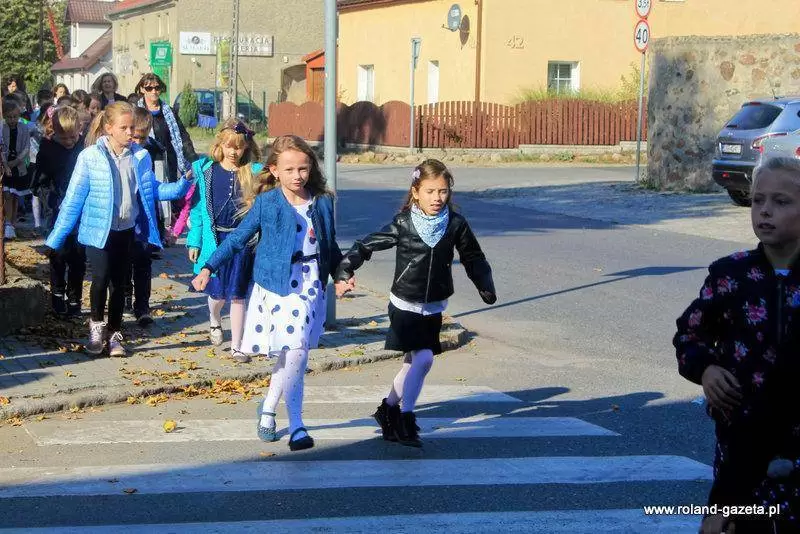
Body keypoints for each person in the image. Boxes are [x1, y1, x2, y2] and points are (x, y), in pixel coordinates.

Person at [191, 135, 342, 451]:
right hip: (277, 285)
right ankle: (297, 425)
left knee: (293, 353)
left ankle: (269, 409)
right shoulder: (268, 203)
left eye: (303, 168)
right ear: (274, 170)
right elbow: (237, 239)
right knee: (296, 350)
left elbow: (330, 245)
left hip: (310, 283)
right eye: (289, 169)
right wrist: (208, 267)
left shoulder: (322, 202)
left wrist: (342, 275)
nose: (297, 176)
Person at [674, 156, 800, 534]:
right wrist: (706, 369)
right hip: (741, 442)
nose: (765, 211)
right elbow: (689, 334)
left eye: (781, 201)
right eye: (758, 200)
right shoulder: (731, 275)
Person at [334, 159, 497, 447]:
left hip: (434, 305)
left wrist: (484, 283)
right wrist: (345, 270)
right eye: (430, 191)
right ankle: (406, 417)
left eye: (443, 191)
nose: (437, 198)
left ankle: (387, 409)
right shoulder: (404, 223)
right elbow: (367, 245)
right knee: (423, 359)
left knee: (412, 363)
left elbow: (473, 256)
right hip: (404, 304)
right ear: (415, 192)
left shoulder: (455, 224)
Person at [44, 102, 193, 357]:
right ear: (109, 128)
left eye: (132, 127)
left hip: (126, 230)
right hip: (98, 232)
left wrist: (182, 184)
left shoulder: (140, 157)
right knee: (100, 278)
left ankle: (114, 334)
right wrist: (55, 239)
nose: (130, 133)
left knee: (119, 284)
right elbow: (73, 199)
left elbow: (154, 190)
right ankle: (96, 328)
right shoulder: (90, 157)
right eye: (124, 128)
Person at [186, 120, 265, 362]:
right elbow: (197, 210)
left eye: (239, 147)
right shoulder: (207, 171)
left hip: (243, 242)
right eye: (229, 146)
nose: (233, 152)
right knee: (218, 295)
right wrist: (194, 241)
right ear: (220, 144)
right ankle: (214, 318)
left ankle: (237, 346)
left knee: (238, 294)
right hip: (215, 240)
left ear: (246, 147)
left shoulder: (253, 171)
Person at [32, 106, 85, 315]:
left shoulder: (83, 147)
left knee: (78, 257)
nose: (69, 142)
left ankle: (75, 299)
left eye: (73, 137)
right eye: (64, 138)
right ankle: (57, 295)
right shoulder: (47, 149)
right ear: (54, 132)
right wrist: (52, 201)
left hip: (80, 212)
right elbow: (39, 184)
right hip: (56, 212)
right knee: (58, 255)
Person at [134, 73, 197, 243]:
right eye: (149, 88)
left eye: (157, 88)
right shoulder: (136, 111)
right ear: (142, 89)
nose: (153, 91)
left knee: (165, 199)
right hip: (144, 159)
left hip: (166, 160)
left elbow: (182, 136)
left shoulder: (168, 111)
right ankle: (147, 236)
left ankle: (161, 234)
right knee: (147, 197)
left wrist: (192, 158)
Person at [2, 99, 31, 240]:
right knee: (7, 194)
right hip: (5, 166)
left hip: (18, 166)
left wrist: (17, 161)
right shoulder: (2, 128)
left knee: (15, 195)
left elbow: (26, 147)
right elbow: (1, 147)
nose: (12, 120)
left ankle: (12, 224)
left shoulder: (23, 128)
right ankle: (7, 223)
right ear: (4, 116)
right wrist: (6, 165)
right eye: (9, 117)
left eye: (15, 117)